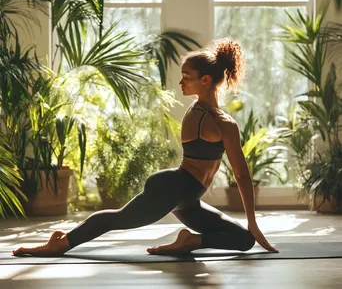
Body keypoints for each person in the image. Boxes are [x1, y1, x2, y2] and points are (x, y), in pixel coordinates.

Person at [12, 38, 278, 257]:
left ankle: (188, 241)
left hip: (188, 198)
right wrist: (253, 220)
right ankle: (63, 241)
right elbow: (241, 176)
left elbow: (242, 176)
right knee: (118, 219)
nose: (181, 83)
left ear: (206, 80)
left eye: (187, 77)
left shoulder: (221, 120)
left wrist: (251, 225)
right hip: (173, 188)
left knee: (244, 241)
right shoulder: (208, 117)